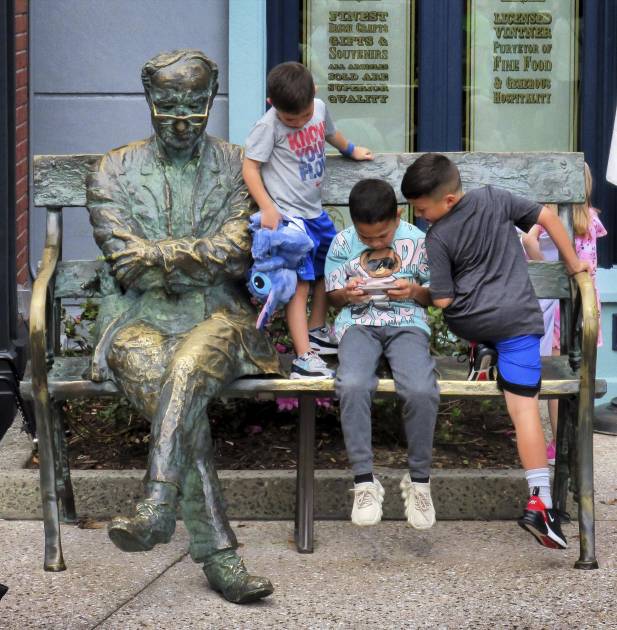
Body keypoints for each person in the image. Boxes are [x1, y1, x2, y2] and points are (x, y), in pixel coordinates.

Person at [86, 50, 280, 604]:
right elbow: (125, 263)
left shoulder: (239, 165)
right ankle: (217, 554)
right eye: (168, 105)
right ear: (148, 99)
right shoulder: (112, 170)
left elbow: (237, 251)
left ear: (211, 99)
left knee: (189, 363)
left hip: (220, 316)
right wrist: (193, 255)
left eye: (194, 107)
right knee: (177, 394)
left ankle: (157, 503)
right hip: (137, 320)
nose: (180, 120)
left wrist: (159, 255)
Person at [401, 153, 590, 550]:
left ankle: (483, 349)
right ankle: (539, 502)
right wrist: (574, 265)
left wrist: (416, 292)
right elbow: (547, 217)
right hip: (518, 323)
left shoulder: (438, 237)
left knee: (472, 325)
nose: (420, 216)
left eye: (422, 209)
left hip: (470, 321)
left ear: (447, 201)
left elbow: (443, 301)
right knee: (524, 411)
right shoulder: (494, 197)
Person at [243, 61, 374, 378]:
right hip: (291, 221)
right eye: (291, 119)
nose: (300, 123)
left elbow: (330, 133)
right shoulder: (268, 127)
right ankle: (303, 357)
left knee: (329, 267)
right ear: (272, 104)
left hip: (315, 214)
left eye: (304, 115)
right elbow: (250, 167)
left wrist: (351, 149)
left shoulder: (318, 108)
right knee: (299, 285)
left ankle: (316, 330)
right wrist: (267, 207)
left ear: (313, 93)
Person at [324, 179, 439, 529]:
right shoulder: (343, 243)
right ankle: (364, 481)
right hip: (358, 325)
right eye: (367, 237)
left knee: (421, 389)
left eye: (382, 235)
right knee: (352, 384)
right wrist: (347, 295)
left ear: (398, 216)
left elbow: (434, 295)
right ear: (354, 224)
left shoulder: (417, 241)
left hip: (407, 323)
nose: (375, 243)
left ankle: (419, 481)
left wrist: (414, 291)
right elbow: (332, 296)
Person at [522, 165, 607, 464]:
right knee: (579, 371)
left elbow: (528, 240)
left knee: (558, 375)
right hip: (587, 301)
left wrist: (547, 269)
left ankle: (558, 444)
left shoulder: (551, 217)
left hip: (562, 304)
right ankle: (575, 440)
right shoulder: (591, 217)